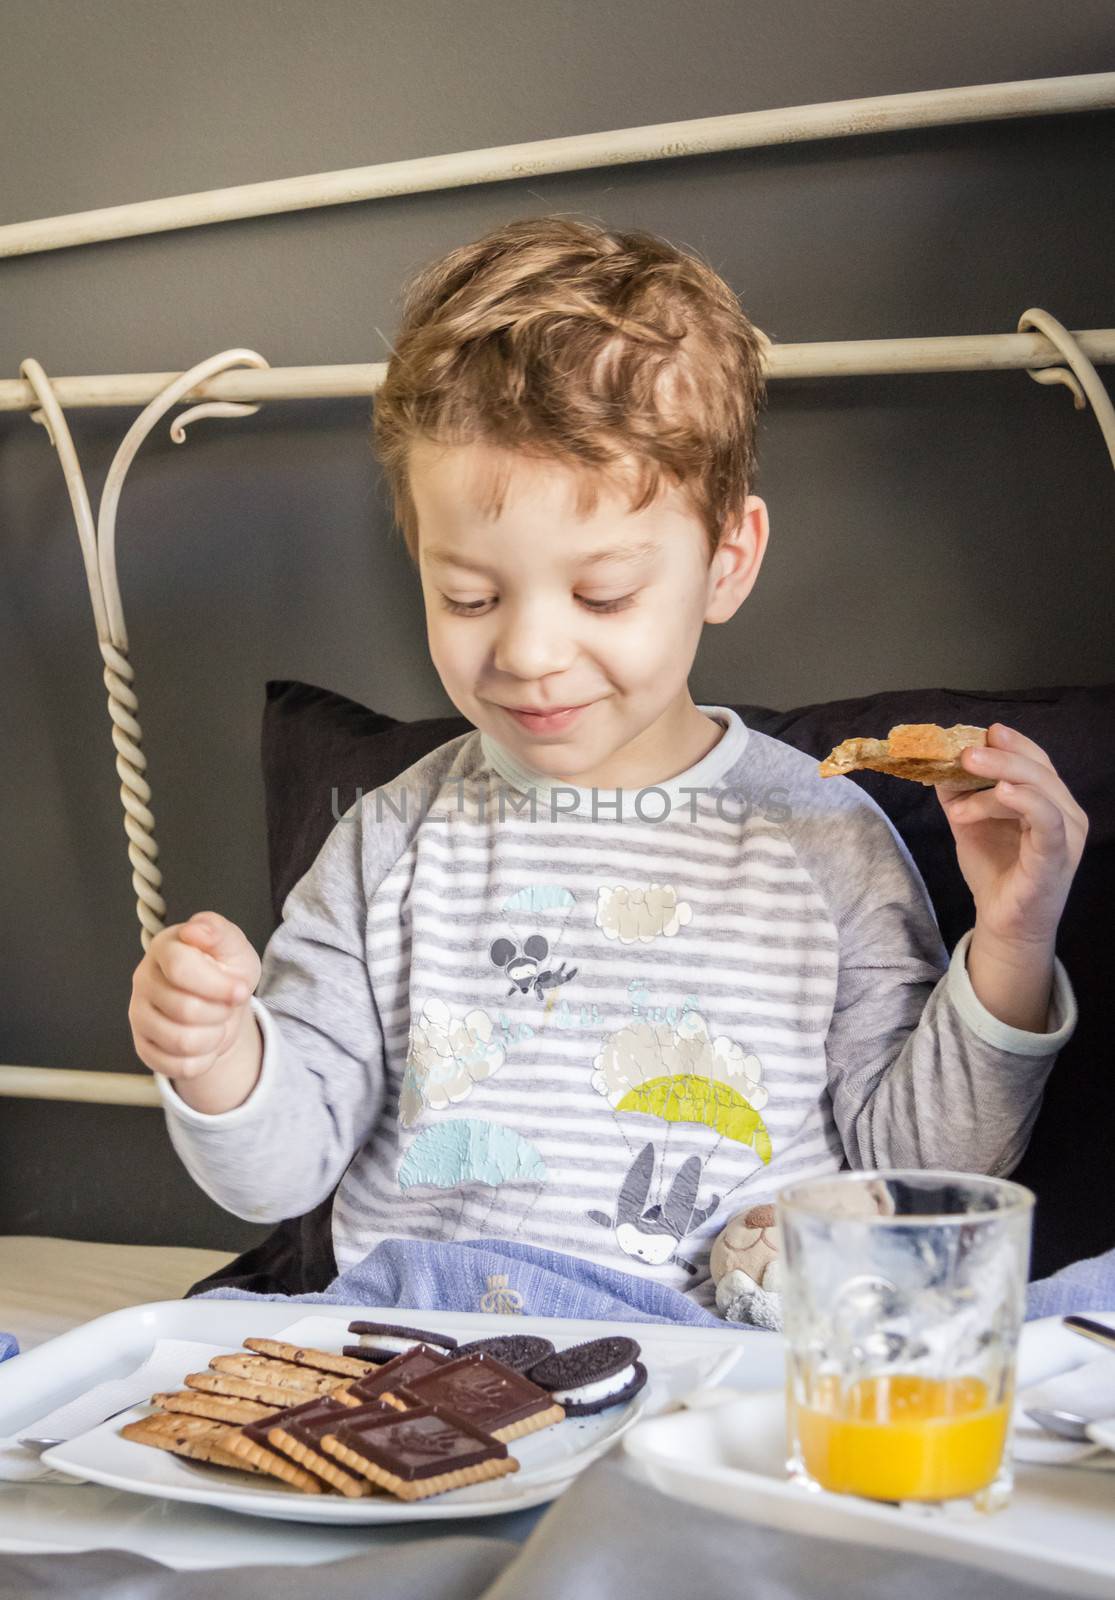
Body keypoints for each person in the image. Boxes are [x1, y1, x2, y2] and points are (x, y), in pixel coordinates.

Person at [128, 215, 1087, 1316]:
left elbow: (928, 1172)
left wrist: (1011, 942)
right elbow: (277, 1175)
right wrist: (216, 1057)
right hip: (422, 1358)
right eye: (469, 597)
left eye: (602, 595)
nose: (529, 652)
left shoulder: (824, 841)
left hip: (712, 1372)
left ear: (724, 561)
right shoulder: (389, 844)